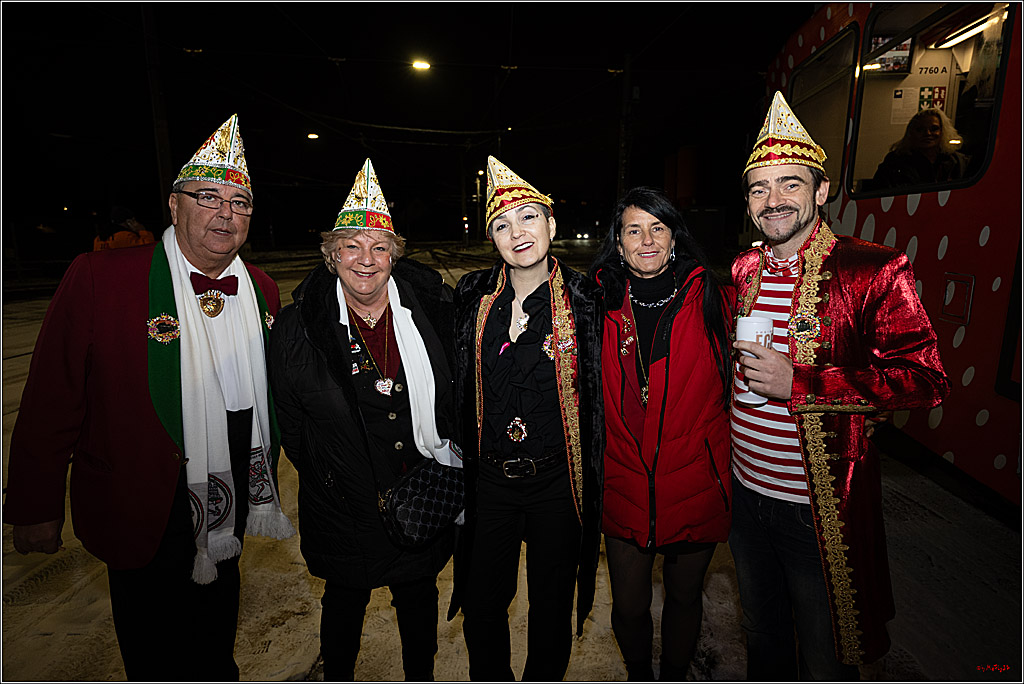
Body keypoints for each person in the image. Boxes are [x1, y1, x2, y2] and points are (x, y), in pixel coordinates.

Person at [4, 114, 295, 680]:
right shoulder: (100, 276)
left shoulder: (259, 286)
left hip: (227, 490)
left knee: (215, 636)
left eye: (239, 201)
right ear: (173, 205)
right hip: (140, 498)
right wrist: (35, 505)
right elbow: (51, 393)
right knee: (154, 652)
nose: (225, 212)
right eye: (207, 196)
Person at [731, 91, 950, 679]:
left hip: (817, 507)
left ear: (821, 191)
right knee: (762, 637)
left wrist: (802, 384)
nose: (773, 200)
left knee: (827, 651)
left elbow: (924, 379)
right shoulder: (745, 269)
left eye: (790, 184)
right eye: (759, 188)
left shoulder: (873, 268)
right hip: (747, 499)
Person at [268, 159, 461, 682]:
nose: (366, 260)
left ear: (394, 256)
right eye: (351, 246)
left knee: (419, 596)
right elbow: (289, 420)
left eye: (380, 247)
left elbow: (456, 392)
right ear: (332, 257)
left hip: (418, 489)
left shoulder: (432, 313)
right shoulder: (297, 328)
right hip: (342, 500)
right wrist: (328, 472)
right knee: (344, 601)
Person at [452, 156, 604, 681]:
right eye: (502, 224)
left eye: (529, 218)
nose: (517, 233)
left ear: (552, 225)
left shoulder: (586, 301)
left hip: (556, 485)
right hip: (491, 482)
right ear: (490, 237)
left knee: (549, 609)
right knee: (483, 606)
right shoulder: (472, 298)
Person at [588, 187, 733, 681]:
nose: (646, 240)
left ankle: (672, 674)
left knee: (684, 598)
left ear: (674, 237)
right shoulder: (596, 304)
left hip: (695, 478)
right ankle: (638, 675)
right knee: (628, 606)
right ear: (619, 242)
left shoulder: (714, 298)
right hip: (624, 479)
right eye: (634, 230)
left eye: (657, 228)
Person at [871, 107, 970, 188]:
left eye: (934, 129)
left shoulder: (957, 162)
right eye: (920, 129)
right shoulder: (895, 162)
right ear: (911, 133)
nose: (927, 133)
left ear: (943, 132)